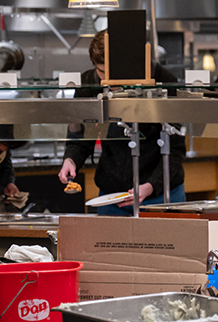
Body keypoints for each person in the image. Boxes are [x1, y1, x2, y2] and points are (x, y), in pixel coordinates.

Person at [58, 30, 186, 215]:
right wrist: (71, 160)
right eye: (102, 72)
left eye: (115, 74)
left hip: (160, 195)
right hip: (112, 197)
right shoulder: (88, 83)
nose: (109, 81)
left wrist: (152, 185)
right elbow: (82, 136)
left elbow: (175, 148)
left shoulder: (162, 80)